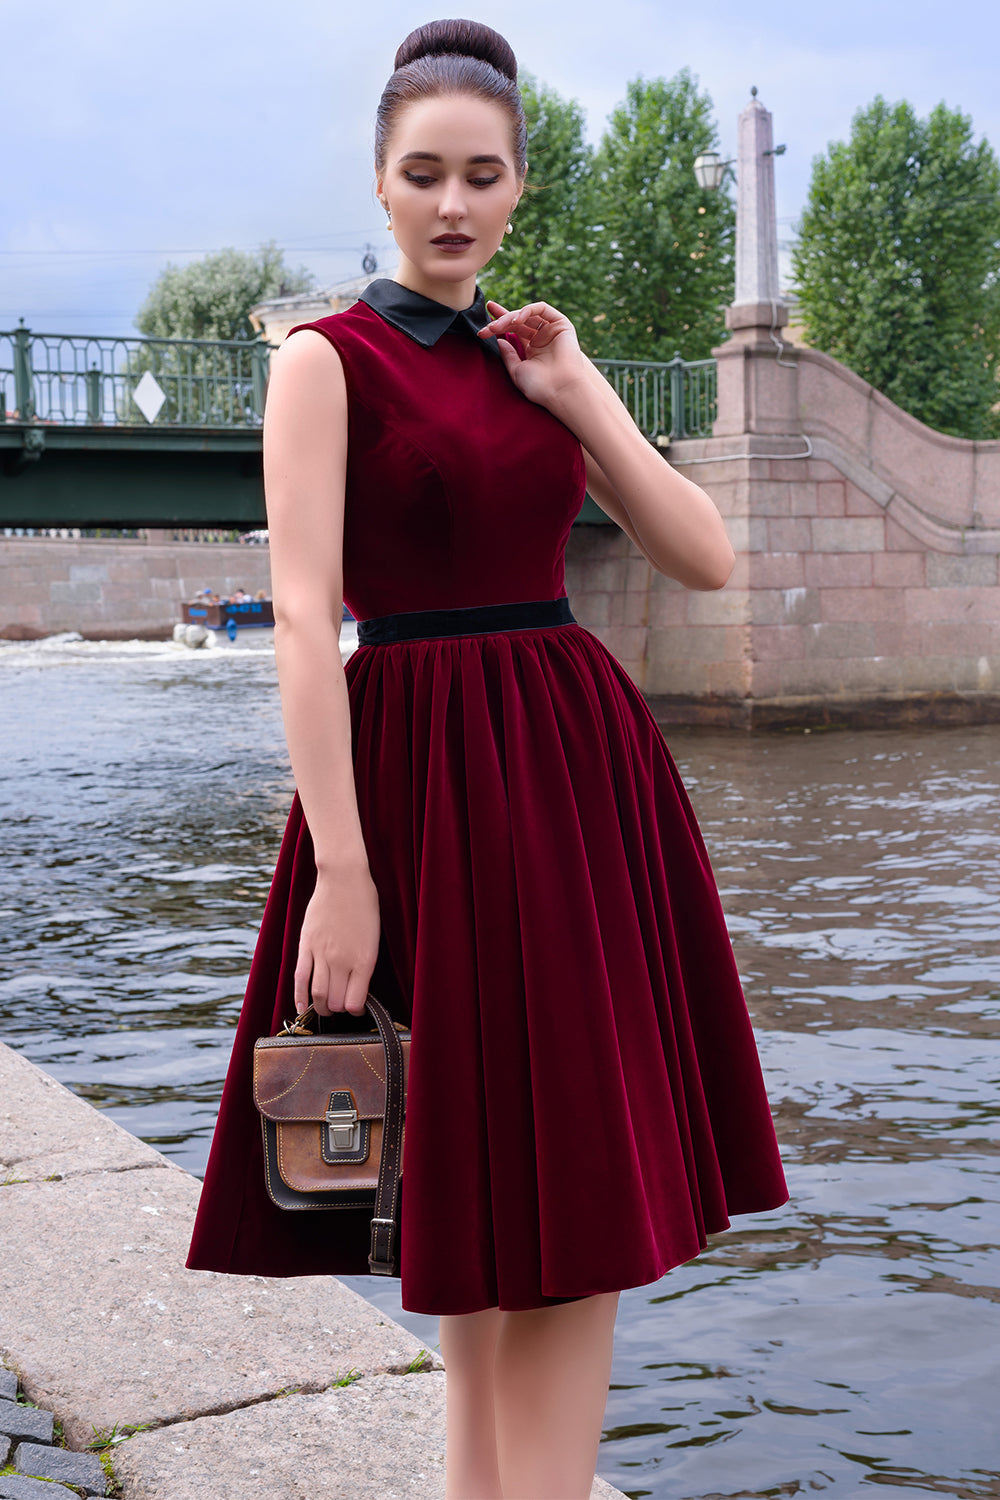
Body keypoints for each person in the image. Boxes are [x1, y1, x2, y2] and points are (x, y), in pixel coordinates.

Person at [187, 18, 787, 1499]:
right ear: (380, 182)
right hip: (420, 778)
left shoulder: (537, 364)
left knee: (563, 1192)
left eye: (483, 176)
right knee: (478, 1197)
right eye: (424, 174)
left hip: (573, 780)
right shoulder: (324, 362)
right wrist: (342, 869)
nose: (454, 204)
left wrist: (579, 389)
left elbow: (705, 558)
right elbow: (307, 619)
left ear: (519, 187)